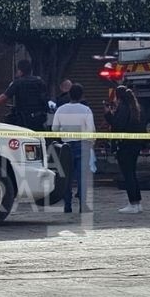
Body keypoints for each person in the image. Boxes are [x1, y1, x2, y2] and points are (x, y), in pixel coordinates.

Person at [52, 83, 95, 213]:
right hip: (83, 145)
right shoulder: (86, 110)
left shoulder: (60, 109)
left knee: (67, 178)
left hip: (66, 146)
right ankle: (83, 206)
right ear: (82, 95)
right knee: (82, 177)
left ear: (69, 94)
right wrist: (91, 143)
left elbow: (54, 128)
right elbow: (91, 129)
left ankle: (67, 206)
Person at [104, 84, 145, 214]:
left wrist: (108, 115)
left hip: (125, 146)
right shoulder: (137, 108)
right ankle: (137, 203)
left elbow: (117, 125)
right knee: (132, 173)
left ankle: (132, 203)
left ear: (118, 96)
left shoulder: (123, 108)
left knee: (128, 175)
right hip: (135, 145)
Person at [0, 59, 49, 130]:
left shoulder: (18, 83)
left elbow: (4, 97)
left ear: (20, 71)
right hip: (39, 118)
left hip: (23, 119)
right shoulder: (40, 81)